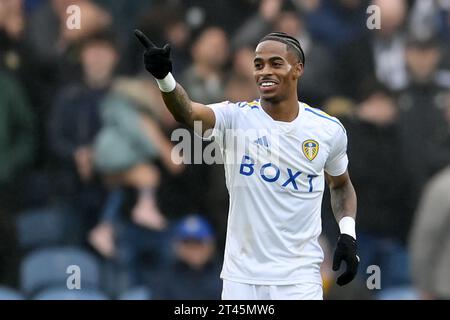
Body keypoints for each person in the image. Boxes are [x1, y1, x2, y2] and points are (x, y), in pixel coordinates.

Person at [134, 30, 359, 300]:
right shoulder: (235, 118)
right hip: (242, 279)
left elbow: (341, 184)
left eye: (276, 63)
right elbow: (187, 112)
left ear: (298, 69)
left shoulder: (327, 130)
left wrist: (348, 234)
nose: (265, 71)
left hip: (298, 279)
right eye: (258, 64)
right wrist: (165, 79)